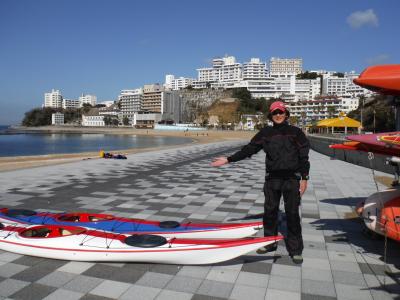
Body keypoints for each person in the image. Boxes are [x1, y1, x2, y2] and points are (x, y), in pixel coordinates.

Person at [211, 101, 310, 264]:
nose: (278, 115)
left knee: (292, 214)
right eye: (275, 113)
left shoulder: (296, 132)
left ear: (286, 114)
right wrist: (229, 159)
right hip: (272, 179)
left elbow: (304, 157)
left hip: (292, 179)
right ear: (270, 116)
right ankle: (269, 243)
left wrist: (304, 178)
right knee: (270, 212)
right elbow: (249, 149)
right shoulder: (265, 133)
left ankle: (296, 249)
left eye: (281, 112)